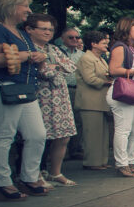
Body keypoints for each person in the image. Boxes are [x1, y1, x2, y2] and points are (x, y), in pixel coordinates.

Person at [0, 0, 48, 201]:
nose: (29, 10)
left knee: (37, 134)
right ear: (10, 6)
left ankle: (29, 177)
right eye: (24, 6)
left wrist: (38, 57)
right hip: (3, 86)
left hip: (25, 88)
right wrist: (26, 55)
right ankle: (1, 183)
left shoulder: (21, 32)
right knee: (3, 134)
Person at [25, 13, 79, 187]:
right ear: (29, 29)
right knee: (40, 137)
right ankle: (36, 173)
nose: (48, 32)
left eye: (50, 29)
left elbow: (71, 66)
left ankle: (56, 173)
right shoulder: (28, 48)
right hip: (41, 98)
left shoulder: (53, 48)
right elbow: (44, 72)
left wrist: (53, 66)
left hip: (60, 97)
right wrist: (56, 67)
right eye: (43, 29)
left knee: (64, 136)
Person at [106, 17, 134, 177]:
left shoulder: (130, 48)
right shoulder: (119, 47)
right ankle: (121, 164)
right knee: (123, 130)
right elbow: (113, 70)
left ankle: (130, 160)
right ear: (127, 29)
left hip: (132, 93)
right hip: (121, 93)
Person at [75, 31, 112, 171]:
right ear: (93, 44)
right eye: (103, 42)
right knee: (92, 134)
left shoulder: (101, 59)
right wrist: (107, 82)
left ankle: (101, 161)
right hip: (90, 102)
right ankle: (91, 162)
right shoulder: (87, 58)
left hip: (101, 102)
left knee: (103, 134)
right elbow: (89, 78)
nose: (106, 44)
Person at [56, 27, 85, 160]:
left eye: (77, 37)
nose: (75, 40)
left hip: (77, 89)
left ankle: (75, 149)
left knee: (77, 119)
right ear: (63, 39)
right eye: (71, 37)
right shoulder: (57, 52)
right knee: (61, 120)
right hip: (60, 89)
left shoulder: (82, 55)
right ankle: (60, 151)